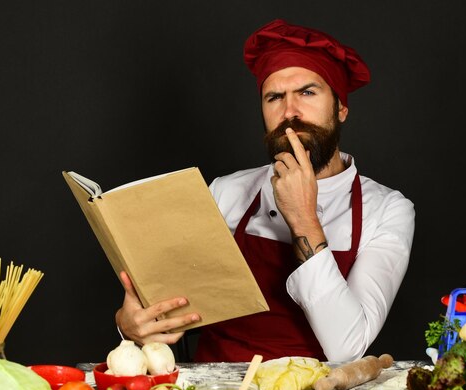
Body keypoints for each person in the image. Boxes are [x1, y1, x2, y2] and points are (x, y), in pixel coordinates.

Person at [115, 19, 415, 363]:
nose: (289, 112)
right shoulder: (226, 193)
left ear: (341, 109)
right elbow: (169, 308)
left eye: (307, 92)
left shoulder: (388, 210)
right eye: (275, 97)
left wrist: (303, 218)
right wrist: (130, 325)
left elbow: (347, 347)